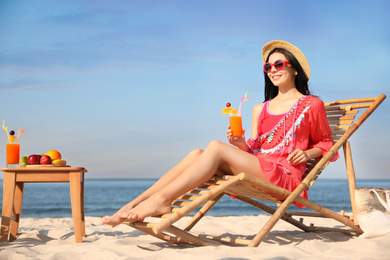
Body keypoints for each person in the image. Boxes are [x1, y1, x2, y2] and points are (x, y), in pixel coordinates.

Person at [101, 40, 339, 226]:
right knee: (196, 153)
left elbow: (326, 143)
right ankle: (132, 205)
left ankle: (161, 201)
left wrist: (308, 154)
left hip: (284, 175)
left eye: (279, 64)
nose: (272, 70)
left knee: (214, 146)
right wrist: (240, 143)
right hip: (260, 167)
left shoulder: (311, 104)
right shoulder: (260, 108)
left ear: (294, 69)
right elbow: (255, 152)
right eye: (268, 66)